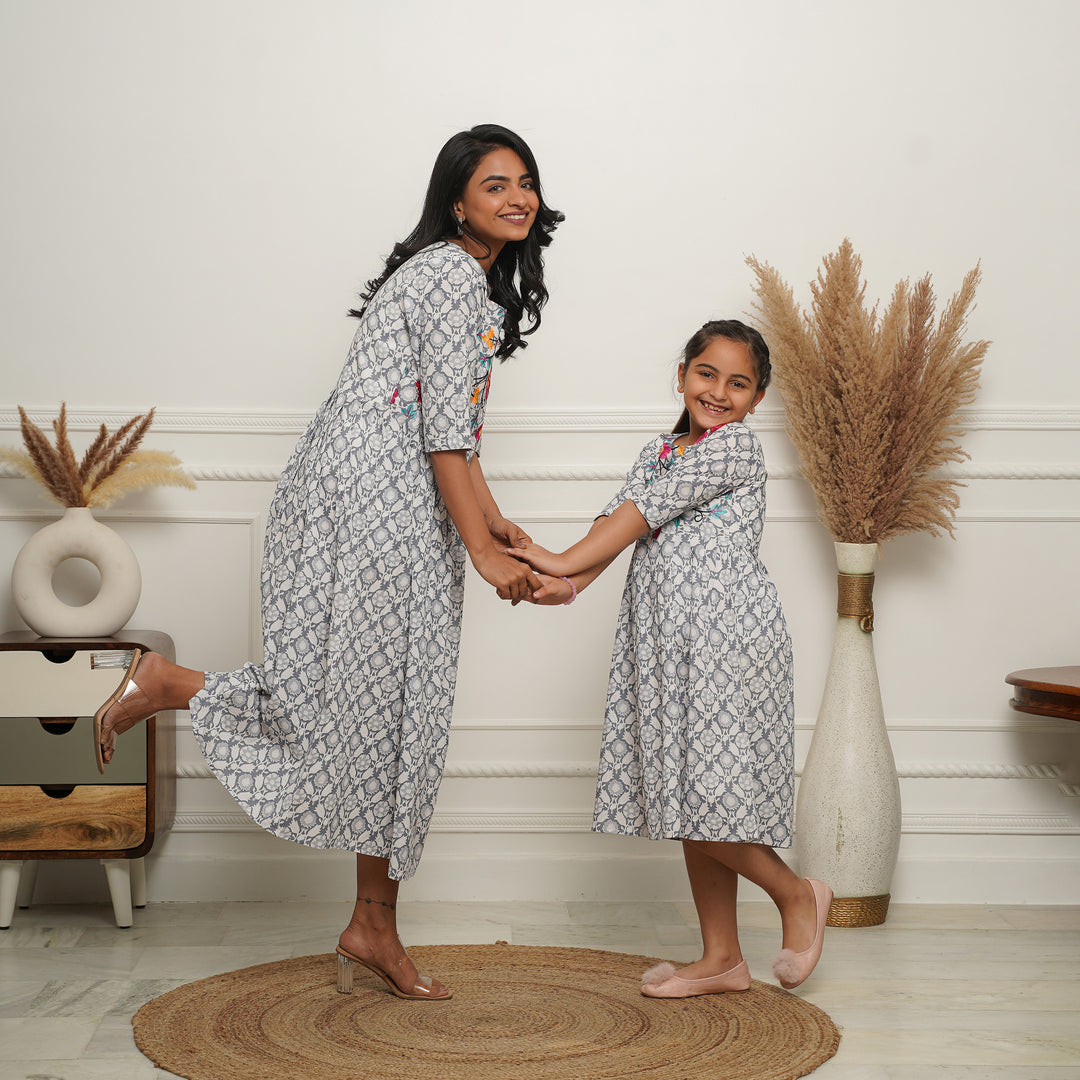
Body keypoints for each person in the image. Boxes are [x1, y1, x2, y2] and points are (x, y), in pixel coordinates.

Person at [92, 123, 564, 1001]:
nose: (516, 197)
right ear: (456, 201)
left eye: (525, 182)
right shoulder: (451, 275)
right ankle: (169, 683)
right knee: (348, 703)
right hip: (372, 514)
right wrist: (479, 547)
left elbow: (451, 426)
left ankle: (373, 924)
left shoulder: (456, 280)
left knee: (396, 715)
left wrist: (494, 526)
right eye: (494, 184)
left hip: (379, 508)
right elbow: (440, 435)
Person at [511, 320, 831, 995]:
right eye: (706, 374)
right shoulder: (660, 451)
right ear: (682, 373)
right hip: (666, 649)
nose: (718, 392)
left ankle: (799, 895)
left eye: (738, 383)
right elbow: (616, 526)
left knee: (708, 801)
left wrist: (561, 559)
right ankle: (722, 958)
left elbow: (638, 516)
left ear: (757, 397)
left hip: (726, 645)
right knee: (690, 798)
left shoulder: (733, 451)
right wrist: (562, 585)